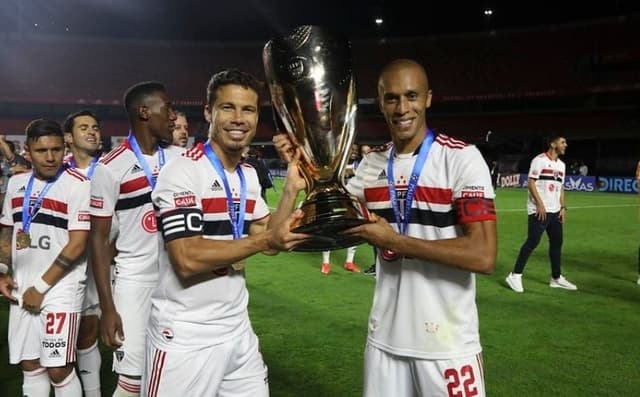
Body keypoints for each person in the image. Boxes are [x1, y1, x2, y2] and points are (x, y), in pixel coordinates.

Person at [275, 58, 497, 396]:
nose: (402, 107)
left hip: (448, 346)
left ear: (428, 98)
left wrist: (394, 239)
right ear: (380, 103)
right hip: (385, 343)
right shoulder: (371, 165)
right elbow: (318, 223)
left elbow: (483, 255)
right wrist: (303, 170)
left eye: (411, 96)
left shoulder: (461, 159)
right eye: (391, 98)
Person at [141, 68, 309, 396]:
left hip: (237, 330)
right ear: (209, 112)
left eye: (247, 109)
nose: (238, 118)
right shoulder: (183, 171)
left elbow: (270, 240)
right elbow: (187, 258)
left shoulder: (246, 176)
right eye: (227, 107)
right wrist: (264, 239)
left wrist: (290, 191)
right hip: (186, 337)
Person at [88, 81, 181, 397]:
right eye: (166, 108)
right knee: (132, 383)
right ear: (145, 112)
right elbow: (98, 241)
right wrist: (108, 308)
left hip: (178, 282)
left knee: (173, 377)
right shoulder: (109, 168)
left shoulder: (181, 159)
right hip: (135, 284)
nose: (173, 116)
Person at [0, 119, 92, 396]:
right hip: (22, 286)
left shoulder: (79, 185)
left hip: (59, 287)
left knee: (58, 368)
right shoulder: (16, 184)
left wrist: (40, 289)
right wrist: (2, 269)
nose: (51, 157)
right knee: (30, 365)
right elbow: (7, 230)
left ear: (64, 148)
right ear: (27, 151)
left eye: (56, 149)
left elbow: (77, 246)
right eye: (42, 151)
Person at [62, 110, 103, 397]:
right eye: (84, 127)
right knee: (70, 333)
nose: (92, 132)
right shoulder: (57, 172)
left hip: (106, 261)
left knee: (91, 331)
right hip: (68, 261)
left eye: (96, 127)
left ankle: (93, 391)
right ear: (68, 137)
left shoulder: (112, 169)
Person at [506, 135, 577, 293]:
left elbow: (561, 187)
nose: (565, 145)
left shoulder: (561, 165)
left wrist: (563, 207)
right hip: (539, 210)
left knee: (557, 243)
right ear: (553, 143)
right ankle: (515, 275)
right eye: (562, 142)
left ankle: (556, 278)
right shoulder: (539, 160)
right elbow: (531, 183)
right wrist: (540, 205)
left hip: (555, 211)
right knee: (532, 241)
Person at [320, 144, 363, 274]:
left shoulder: (360, 165)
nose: (354, 152)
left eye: (356, 150)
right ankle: (326, 263)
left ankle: (349, 261)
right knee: (329, 230)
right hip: (335, 201)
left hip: (353, 203)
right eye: (352, 150)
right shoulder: (336, 164)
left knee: (354, 231)